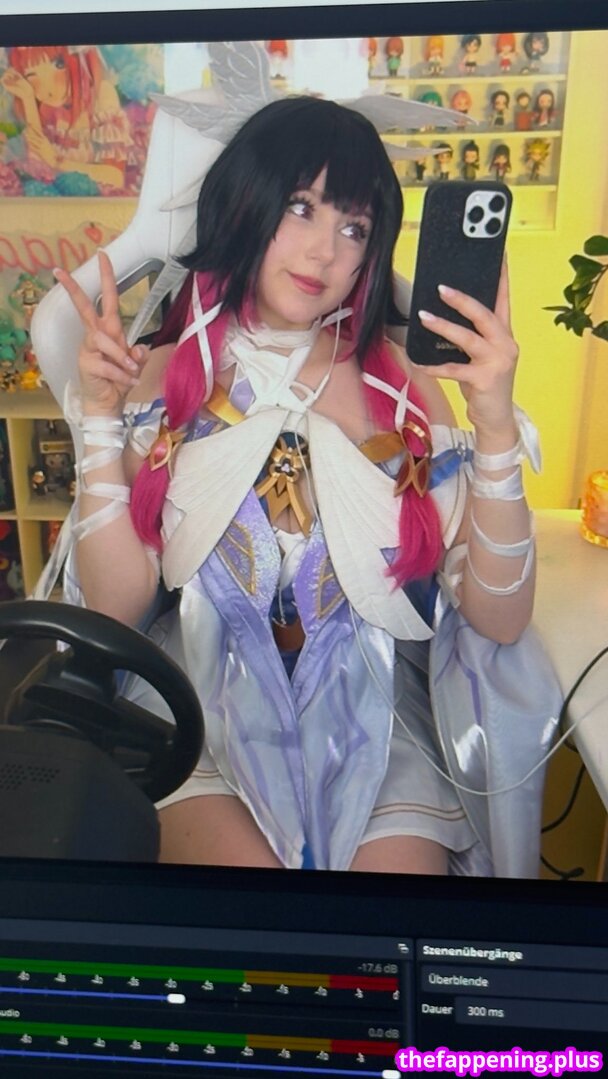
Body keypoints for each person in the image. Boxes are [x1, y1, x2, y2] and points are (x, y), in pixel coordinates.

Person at [54, 95, 548, 876]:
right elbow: (115, 609)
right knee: (253, 923)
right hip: (196, 709)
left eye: (354, 227)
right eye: (300, 206)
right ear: (246, 202)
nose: (324, 252)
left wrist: (493, 432)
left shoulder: (407, 389)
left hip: (377, 721)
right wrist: (99, 420)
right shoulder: (164, 374)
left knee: (382, 938)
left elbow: (500, 617)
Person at [2, 45, 133, 190]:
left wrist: (57, 162)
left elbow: (116, 177)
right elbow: (38, 165)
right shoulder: (48, 108)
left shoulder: (101, 96)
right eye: (31, 76)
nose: (47, 89)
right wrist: (28, 99)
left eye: (58, 65)